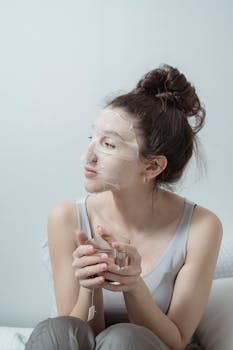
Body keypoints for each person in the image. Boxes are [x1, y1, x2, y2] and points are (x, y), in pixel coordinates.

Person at [25, 64, 222, 350]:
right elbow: (77, 335)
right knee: (58, 329)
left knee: (124, 339)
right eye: (91, 138)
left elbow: (176, 341)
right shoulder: (65, 218)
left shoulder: (202, 227)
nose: (88, 155)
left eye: (108, 144)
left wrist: (133, 286)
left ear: (152, 166)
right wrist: (90, 287)